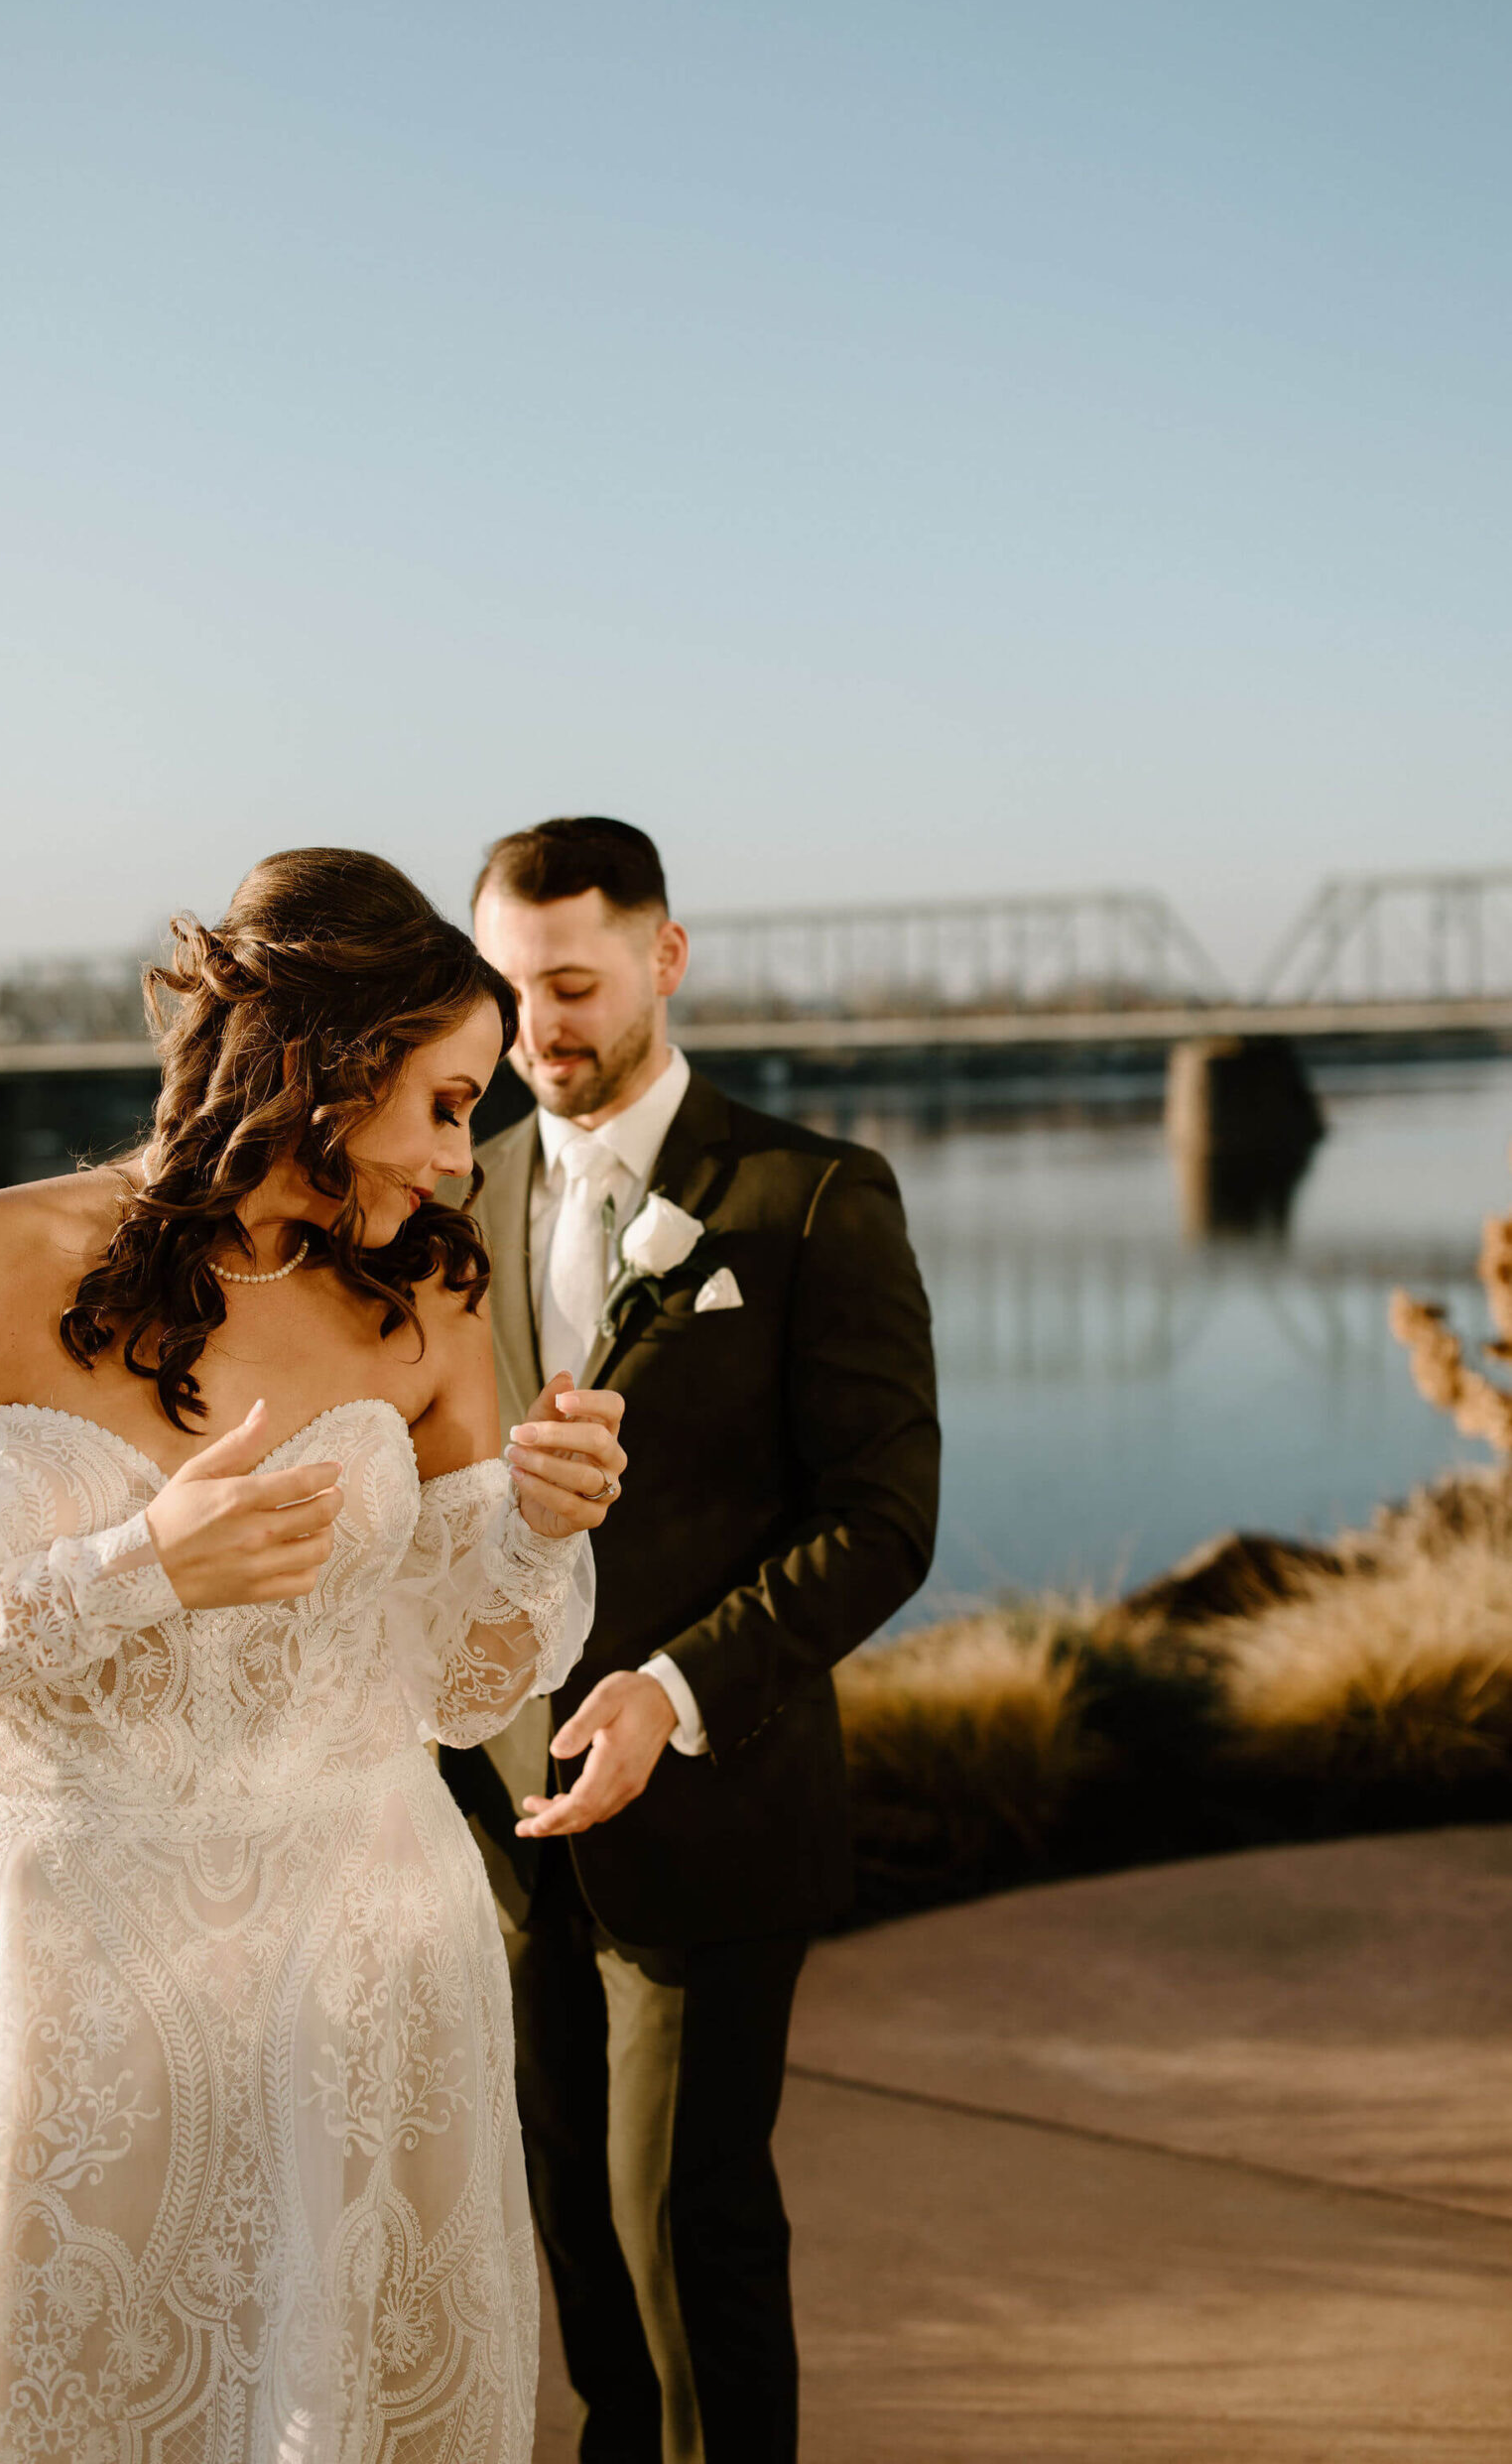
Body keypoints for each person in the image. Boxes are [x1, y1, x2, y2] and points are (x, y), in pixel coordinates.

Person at [0, 846, 628, 2464]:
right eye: (446, 1103)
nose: (464, 1161)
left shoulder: (433, 1300)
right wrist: (133, 1572)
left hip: (366, 1951)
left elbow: (469, 1688)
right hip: (60, 1979)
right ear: (326, 1071)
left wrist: (543, 1527)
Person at [442, 818, 940, 2464]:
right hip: (504, 1824)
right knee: (574, 2232)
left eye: (572, 984)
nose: (538, 1033)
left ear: (666, 955)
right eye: (510, 992)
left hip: (712, 1815)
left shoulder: (811, 1201)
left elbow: (882, 1523)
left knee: (685, 2232)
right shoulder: (461, 1191)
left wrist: (671, 1694)